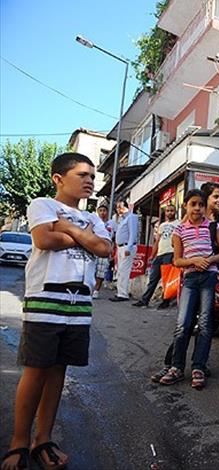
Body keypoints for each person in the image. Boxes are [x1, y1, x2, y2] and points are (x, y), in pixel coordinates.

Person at [1, 153, 111, 470]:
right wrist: (84, 238)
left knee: (58, 370)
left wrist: (70, 229)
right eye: (82, 175)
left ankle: (43, 439)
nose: (90, 181)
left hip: (79, 304)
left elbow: (104, 249)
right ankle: (18, 442)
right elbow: (44, 238)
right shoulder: (43, 205)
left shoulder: (93, 217)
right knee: (36, 370)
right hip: (45, 300)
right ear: (58, 179)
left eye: (92, 176)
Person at [149, 183, 219, 383]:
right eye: (193, 204)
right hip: (190, 279)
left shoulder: (214, 226)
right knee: (183, 324)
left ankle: (198, 367)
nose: (197, 208)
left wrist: (208, 260)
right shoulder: (180, 229)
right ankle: (175, 366)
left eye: (201, 204)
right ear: (185, 206)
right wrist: (194, 261)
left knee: (205, 324)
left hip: (209, 277)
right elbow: (177, 260)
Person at [133, 204, 179, 308]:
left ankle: (166, 301)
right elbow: (157, 241)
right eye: (168, 211)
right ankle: (145, 300)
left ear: (175, 212)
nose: (170, 212)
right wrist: (152, 255)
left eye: (172, 210)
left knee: (167, 279)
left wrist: (176, 255)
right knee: (153, 279)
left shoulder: (178, 224)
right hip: (159, 255)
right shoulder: (162, 225)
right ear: (165, 212)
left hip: (170, 253)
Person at [110, 200, 138, 302]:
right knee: (120, 271)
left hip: (127, 247)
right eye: (117, 207)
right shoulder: (122, 219)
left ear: (125, 206)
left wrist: (129, 248)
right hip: (121, 247)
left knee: (123, 270)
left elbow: (133, 233)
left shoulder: (131, 217)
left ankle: (123, 294)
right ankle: (120, 292)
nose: (118, 209)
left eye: (120, 206)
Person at [92, 204, 111, 299]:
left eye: (104, 210)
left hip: (104, 250)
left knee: (101, 271)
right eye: (100, 210)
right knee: (92, 270)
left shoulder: (111, 224)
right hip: (93, 248)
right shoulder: (93, 223)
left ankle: (96, 290)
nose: (102, 212)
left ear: (107, 212)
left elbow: (114, 237)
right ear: (97, 212)